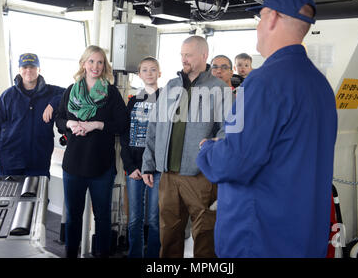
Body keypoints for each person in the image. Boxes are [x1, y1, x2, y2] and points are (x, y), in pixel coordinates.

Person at [196, 0, 338, 257]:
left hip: (260, 238)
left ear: (272, 17)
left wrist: (208, 149)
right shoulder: (320, 84)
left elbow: (236, 163)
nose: (259, 26)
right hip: (304, 238)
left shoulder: (264, 81)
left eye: (259, 17)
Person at [142, 35, 228, 258]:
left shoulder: (219, 89)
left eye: (188, 55)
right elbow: (154, 126)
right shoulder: (171, 85)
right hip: (168, 175)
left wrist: (214, 145)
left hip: (200, 176)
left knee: (204, 238)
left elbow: (228, 129)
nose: (184, 59)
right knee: (168, 235)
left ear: (204, 55)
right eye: (182, 55)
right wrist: (148, 164)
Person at [55, 45, 128, 258]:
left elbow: (122, 124)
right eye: (91, 61)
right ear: (83, 64)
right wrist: (70, 123)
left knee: (103, 217)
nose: (95, 66)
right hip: (73, 165)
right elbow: (59, 119)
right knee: (73, 217)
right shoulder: (71, 90)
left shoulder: (111, 93)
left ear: (104, 66)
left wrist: (97, 124)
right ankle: (70, 254)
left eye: (100, 62)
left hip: (101, 167)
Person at [0, 53, 65, 177]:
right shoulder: (8, 96)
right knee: (6, 196)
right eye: (25, 67)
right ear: (19, 70)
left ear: (39, 69)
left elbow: (74, 92)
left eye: (32, 67)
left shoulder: (52, 92)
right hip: (9, 162)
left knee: (38, 196)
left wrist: (53, 102)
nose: (28, 70)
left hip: (39, 163)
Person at [120, 57, 162, 258]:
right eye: (145, 70)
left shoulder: (166, 99)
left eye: (153, 69)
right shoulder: (133, 101)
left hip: (156, 169)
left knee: (154, 219)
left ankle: (153, 258)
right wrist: (130, 165)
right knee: (135, 219)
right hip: (135, 168)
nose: (149, 73)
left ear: (159, 73)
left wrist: (154, 166)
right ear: (139, 75)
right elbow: (125, 135)